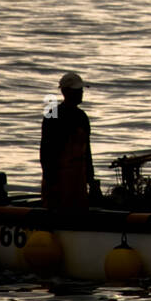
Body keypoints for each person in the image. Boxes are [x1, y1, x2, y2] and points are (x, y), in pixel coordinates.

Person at [40, 71, 97, 210]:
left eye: (81, 90)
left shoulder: (82, 116)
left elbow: (87, 152)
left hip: (78, 180)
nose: (81, 92)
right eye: (77, 90)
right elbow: (46, 152)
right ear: (66, 92)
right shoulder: (52, 116)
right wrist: (51, 181)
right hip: (59, 181)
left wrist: (91, 180)